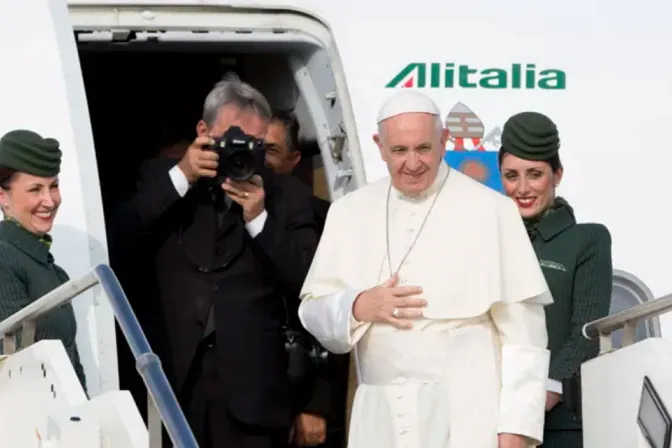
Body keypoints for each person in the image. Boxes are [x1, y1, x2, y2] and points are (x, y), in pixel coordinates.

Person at [297, 89, 553, 448]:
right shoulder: (349, 212)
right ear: (380, 146)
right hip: (381, 418)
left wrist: (515, 429)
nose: (413, 163)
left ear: (444, 141)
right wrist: (357, 306)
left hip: (470, 415)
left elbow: (525, 336)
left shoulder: (492, 210)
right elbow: (312, 309)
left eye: (424, 148)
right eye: (399, 151)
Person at [109, 75, 319, 448]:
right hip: (171, 382)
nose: (241, 153)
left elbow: (309, 284)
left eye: (253, 144)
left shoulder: (287, 196)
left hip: (252, 396)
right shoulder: (161, 179)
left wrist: (259, 219)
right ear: (203, 131)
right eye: (231, 141)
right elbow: (119, 241)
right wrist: (183, 177)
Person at [498, 112, 613, 448]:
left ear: (557, 174)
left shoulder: (587, 239)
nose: (522, 188)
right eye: (511, 176)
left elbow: (586, 333)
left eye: (535, 175)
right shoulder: (489, 238)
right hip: (485, 419)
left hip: (557, 423)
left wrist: (531, 405)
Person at [263, 109, 349, 448]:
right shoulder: (213, 215)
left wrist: (317, 404)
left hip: (297, 392)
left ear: (293, 159)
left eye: (270, 150)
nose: (257, 159)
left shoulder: (326, 219)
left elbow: (336, 309)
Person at [0, 129, 87, 391]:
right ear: (2, 196)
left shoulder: (48, 266)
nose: (49, 201)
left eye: (54, 186)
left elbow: (71, 363)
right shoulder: (5, 257)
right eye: (35, 189)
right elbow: (18, 370)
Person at [264, 109, 330, 232]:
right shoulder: (223, 207)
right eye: (253, 147)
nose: (259, 156)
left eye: (271, 150)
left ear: (293, 159)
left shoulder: (322, 217)